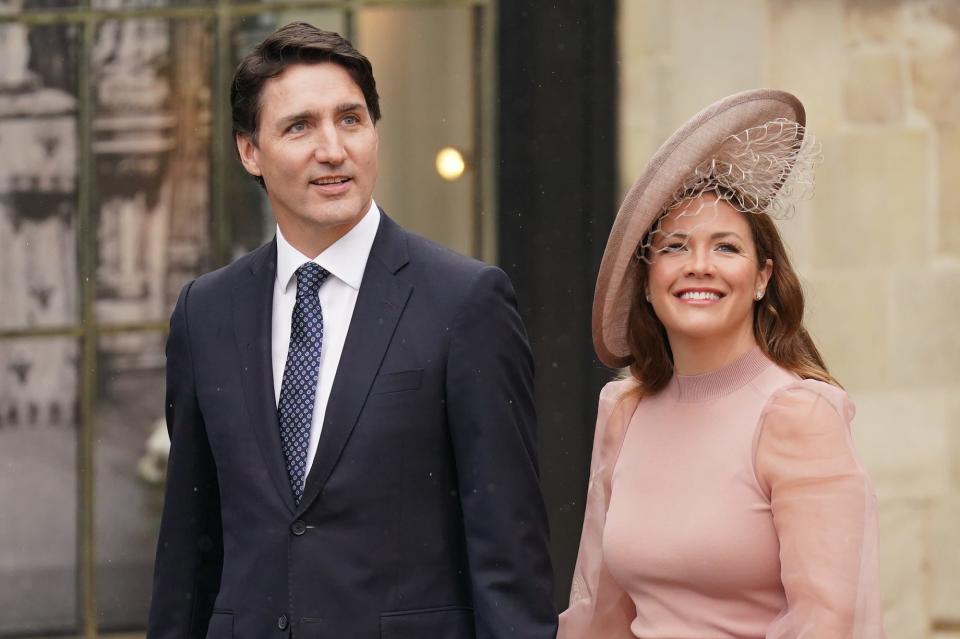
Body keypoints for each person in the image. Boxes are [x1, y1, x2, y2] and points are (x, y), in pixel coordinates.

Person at [147, 22, 556, 639]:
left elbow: (509, 549)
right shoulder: (206, 312)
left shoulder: (465, 301)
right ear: (249, 151)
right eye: (299, 126)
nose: (333, 149)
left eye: (351, 119)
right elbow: (188, 546)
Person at [558, 89, 885, 638]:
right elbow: (599, 611)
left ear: (762, 277)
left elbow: (824, 622)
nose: (700, 267)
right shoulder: (624, 409)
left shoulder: (800, 415)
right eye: (675, 247)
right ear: (647, 279)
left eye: (727, 248)